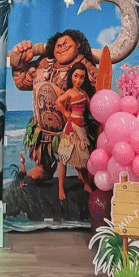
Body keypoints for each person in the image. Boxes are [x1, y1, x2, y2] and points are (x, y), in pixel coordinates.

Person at [12, 29, 98, 181]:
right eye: (58, 45)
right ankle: (43, 166)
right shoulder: (44, 62)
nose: (61, 47)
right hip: (43, 127)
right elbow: (23, 83)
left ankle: (84, 172)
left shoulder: (85, 66)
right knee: (42, 150)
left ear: (78, 45)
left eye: (66, 43)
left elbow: (97, 92)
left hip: (73, 125)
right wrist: (21, 63)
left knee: (80, 154)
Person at [55, 62, 95, 200]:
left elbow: (91, 106)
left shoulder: (84, 93)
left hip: (81, 130)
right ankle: (60, 188)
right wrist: (66, 113)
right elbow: (58, 102)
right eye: (76, 76)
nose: (78, 80)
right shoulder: (70, 93)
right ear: (71, 76)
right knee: (63, 158)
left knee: (83, 158)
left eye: (82, 77)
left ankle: (86, 184)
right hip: (70, 129)